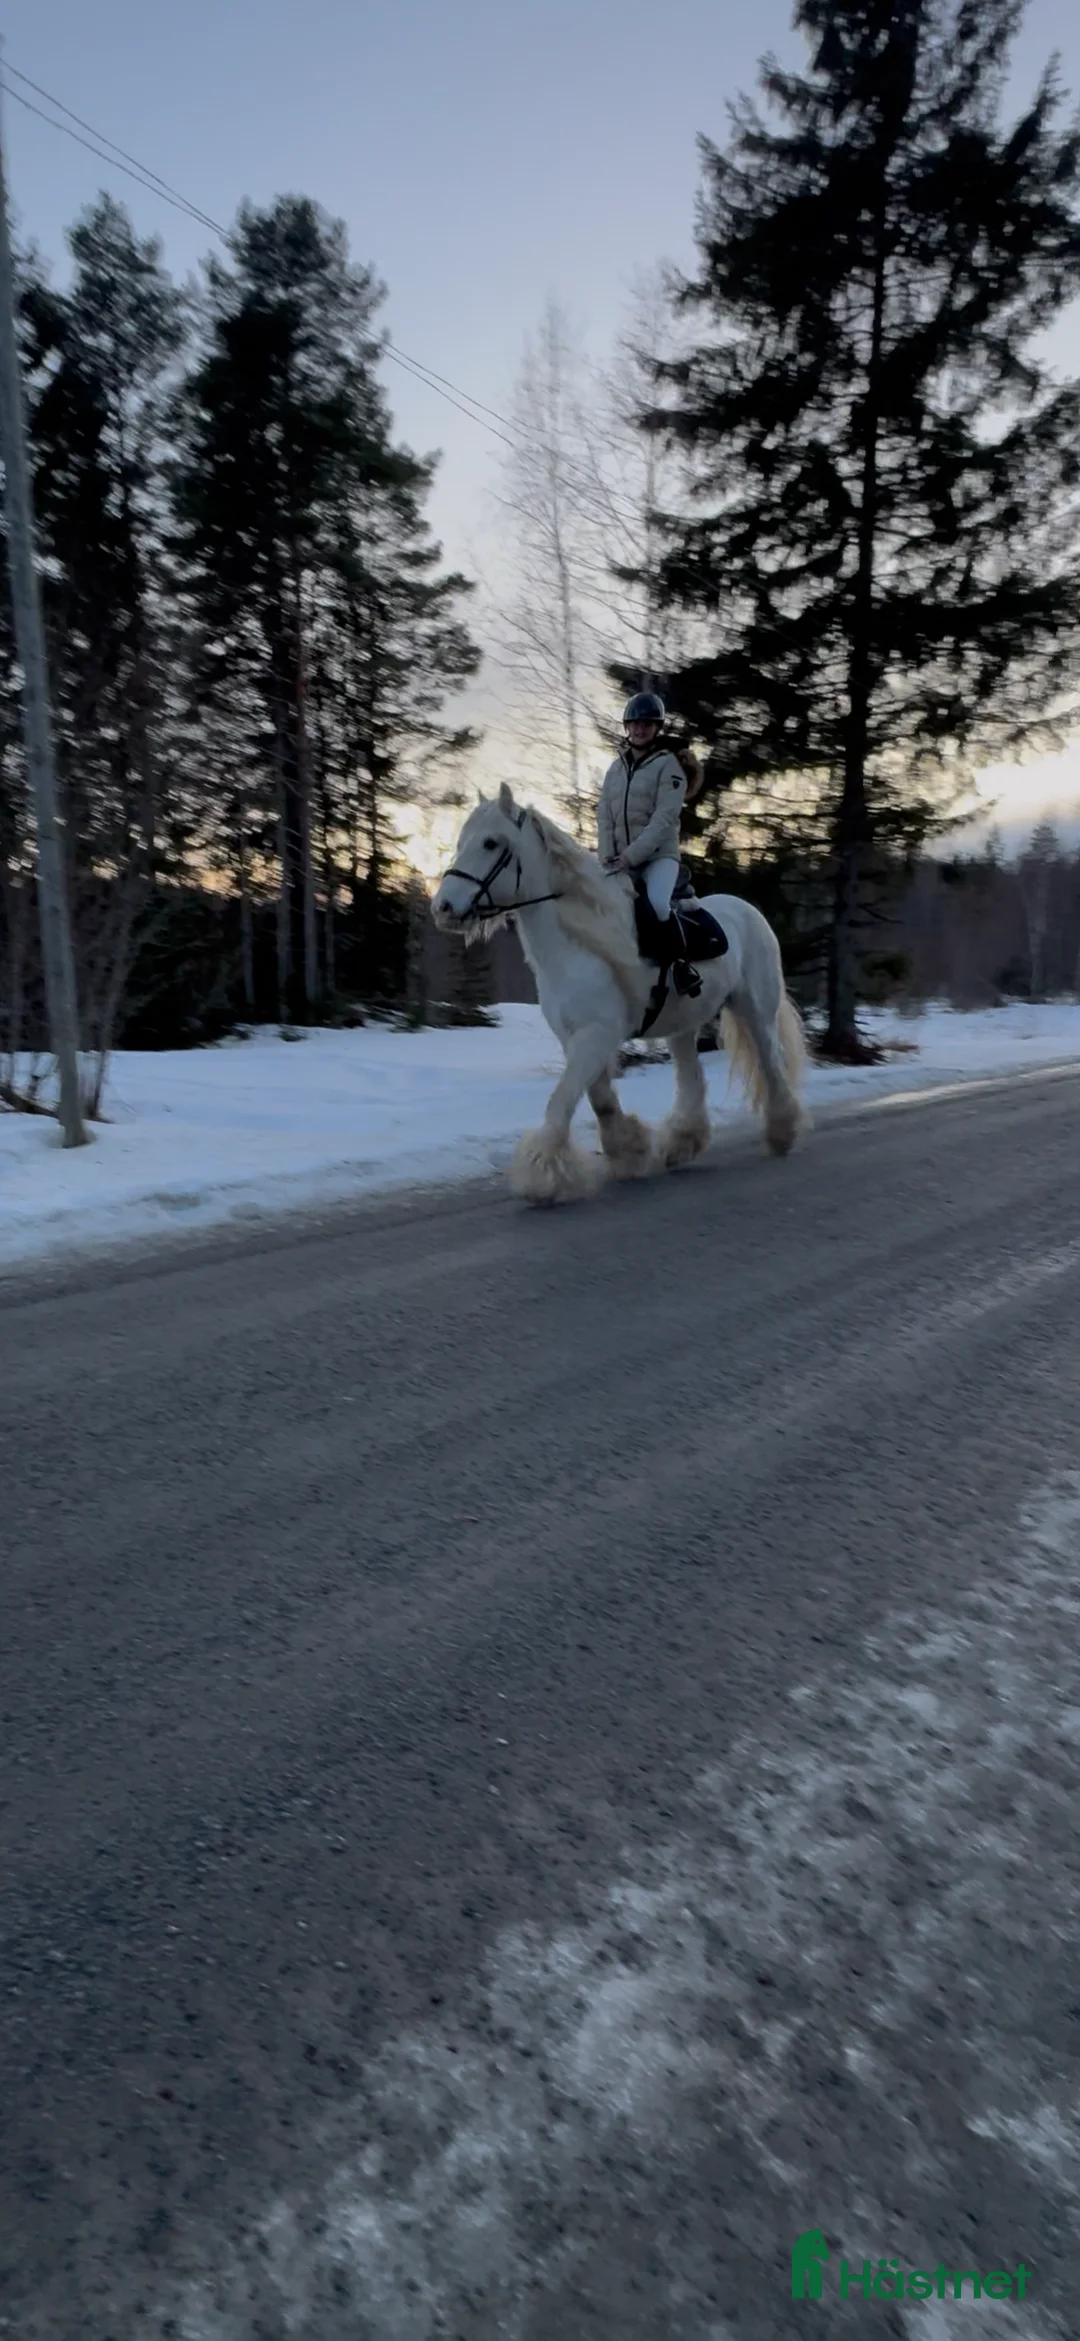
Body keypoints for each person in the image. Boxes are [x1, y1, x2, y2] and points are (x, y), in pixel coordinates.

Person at [597, 692, 702, 993]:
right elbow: (604, 814)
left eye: (647, 724)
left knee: (656, 904)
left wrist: (631, 856)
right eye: (634, 723)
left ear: (657, 728)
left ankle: (682, 966)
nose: (640, 729)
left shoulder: (669, 767)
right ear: (626, 726)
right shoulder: (615, 769)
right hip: (618, 859)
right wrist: (607, 855)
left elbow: (664, 819)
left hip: (659, 858)